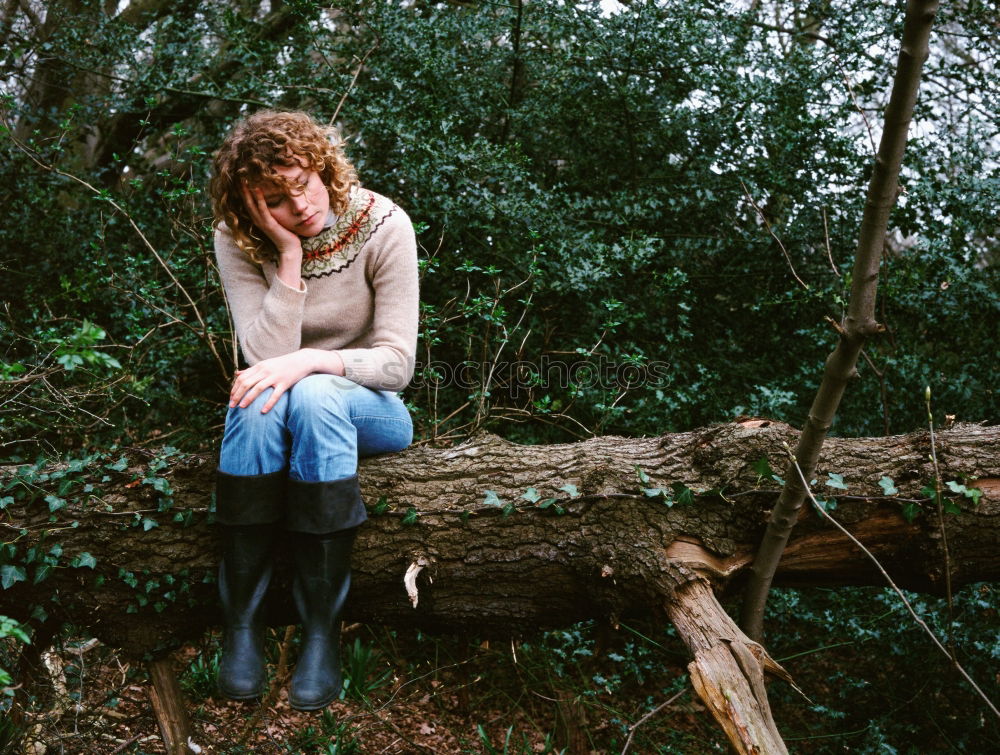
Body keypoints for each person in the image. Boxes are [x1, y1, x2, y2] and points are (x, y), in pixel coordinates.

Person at [208, 110, 418, 711]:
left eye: (303, 183)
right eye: (276, 199)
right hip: (283, 407)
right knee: (257, 392)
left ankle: (321, 629)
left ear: (324, 167)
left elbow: (396, 364)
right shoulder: (238, 239)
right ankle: (241, 625)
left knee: (305, 388)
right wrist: (288, 257)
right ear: (251, 207)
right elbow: (264, 354)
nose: (298, 205)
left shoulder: (384, 225)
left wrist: (310, 364)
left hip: (371, 408)